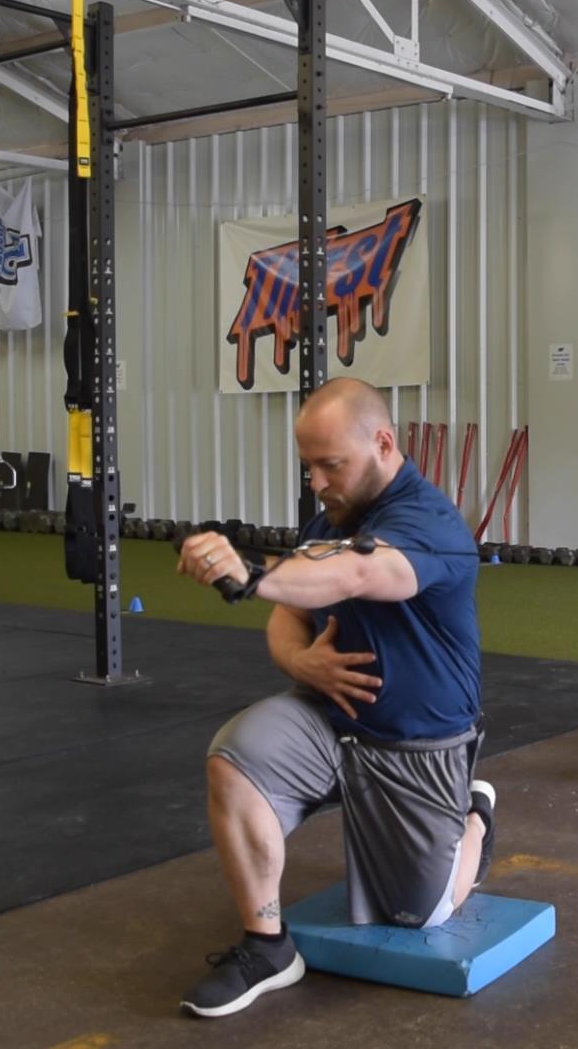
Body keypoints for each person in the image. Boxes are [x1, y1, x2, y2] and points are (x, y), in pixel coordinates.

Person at [173, 377, 493, 1019]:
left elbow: (360, 572)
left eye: (330, 465)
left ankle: (477, 815)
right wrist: (302, 661)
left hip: (416, 745)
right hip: (332, 722)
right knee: (235, 757)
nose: (316, 482)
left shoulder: (430, 522)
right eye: (308, 467)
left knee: (422, 914)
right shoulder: (333, 518)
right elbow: (292, 607)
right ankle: (267, 947)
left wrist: (251, 575)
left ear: (382, 443)